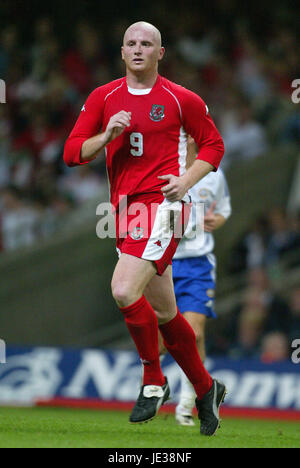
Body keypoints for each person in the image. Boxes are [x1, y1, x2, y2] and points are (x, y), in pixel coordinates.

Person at [63, 21, 226, 436]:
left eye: (147, 44)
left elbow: (213, 145)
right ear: (122, 53)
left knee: (122, 290)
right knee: (167, 313)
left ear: (160, 53)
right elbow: (71, 153)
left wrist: (186, 181)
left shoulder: (180, 98)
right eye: (131, 43)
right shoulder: (104, 97)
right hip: (125, 212)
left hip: (166, 206)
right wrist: (106, 135)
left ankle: (153, 380)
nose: (138, 49)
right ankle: (207, 389)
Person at [169, 136, 232, 425]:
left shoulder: (214, 175)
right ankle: (155, 382)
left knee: (194, 334)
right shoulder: (162, 170)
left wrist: (217, 221)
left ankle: (187, 404)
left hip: (197, 264)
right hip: (162, 262)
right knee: (163, 340)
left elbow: (224, 209)